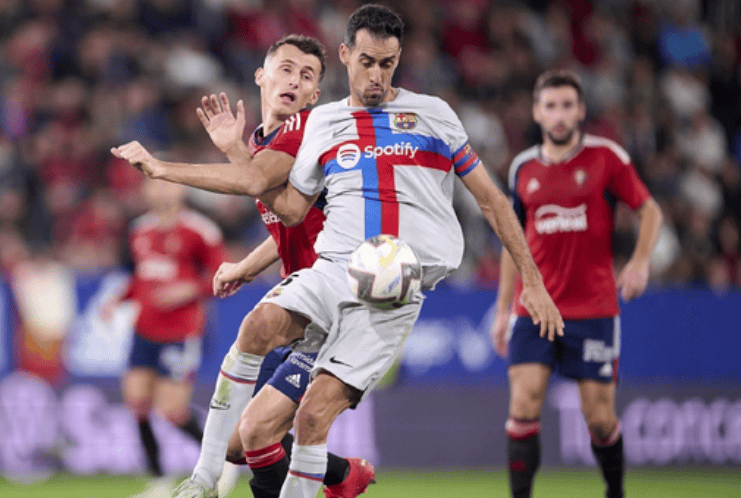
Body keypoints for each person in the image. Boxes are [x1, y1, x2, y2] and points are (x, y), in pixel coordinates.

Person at [112, 5, 564, 498]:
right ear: (346, 55)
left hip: (390, 291)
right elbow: (289, 209)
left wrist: (533, 282)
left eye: (387, 64)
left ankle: (330, 475)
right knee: (253, 381)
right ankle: (214, 479)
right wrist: (244, 251)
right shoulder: (324, 124)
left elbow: (492, 200)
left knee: (290, 424)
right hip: (328, 274)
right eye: (367, 62)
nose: (376, 75)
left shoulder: (427, 115)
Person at [169, 35, 375, 498]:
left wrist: (199, 159)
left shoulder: (307, 131)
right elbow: (289, 222)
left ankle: (330, 477)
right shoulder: (266, 143)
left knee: (257, 432)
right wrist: (245, 266)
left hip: (334, 308)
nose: (294, 81)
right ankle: (342, 474)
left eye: (306, 76)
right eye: (285, 69)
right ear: (261, 77)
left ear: (314, 95)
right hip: (298, 302)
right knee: (237, 444)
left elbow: (270, 195)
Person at [490, 69, 663, 498]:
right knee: (523, 403)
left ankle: (615, 492)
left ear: (581, 110)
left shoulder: (607, 158)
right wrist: (503, 310)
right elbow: (513, 241)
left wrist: (640, 261)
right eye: (550, 106)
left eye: (567, 105)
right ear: (537, 112)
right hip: (534, 308)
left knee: (600, 419)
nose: (559, 114)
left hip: (593, 309)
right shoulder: (522, 168)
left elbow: (650, 210)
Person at [102, 177, 226, 498]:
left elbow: (222, 277)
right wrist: (118, 299)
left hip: (180, 333)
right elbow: (140, 276)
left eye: (167, 184)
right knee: (137, 403)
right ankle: (158, 481)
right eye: (154, 184)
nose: (160, 190)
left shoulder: (201, 230)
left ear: (181, 188)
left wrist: (189, 289)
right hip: (143, 330)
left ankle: (221, 464)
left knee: (173, 412)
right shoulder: (139, 229)